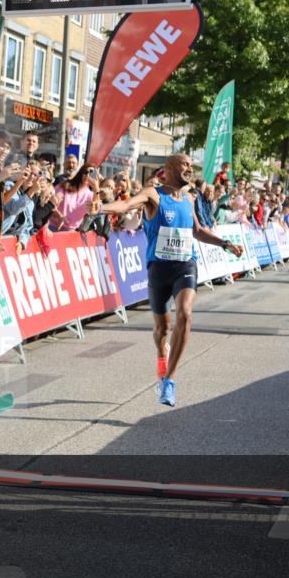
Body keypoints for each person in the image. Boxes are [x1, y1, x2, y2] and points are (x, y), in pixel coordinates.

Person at [98, 153, 243, 406]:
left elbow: (197, 231)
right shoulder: (153, 194)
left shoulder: (188, 198)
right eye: (185, 164)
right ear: (169, 168)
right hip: (159, 269)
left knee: (185, 314)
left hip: (185, 265)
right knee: (163, 329)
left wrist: (225, 243)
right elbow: (125, 206)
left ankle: (169, 381)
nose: (190, 168)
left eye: (191, 165)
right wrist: (101, 207)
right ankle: (161, 354)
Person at [51, 164, 98, 232]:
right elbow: (49, 203)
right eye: (85, 172)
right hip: (53, 226)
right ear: (81, 173)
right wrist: (59, 216)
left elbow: (95, 210)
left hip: (71, 231)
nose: (88, 175)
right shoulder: (65, 185)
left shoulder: (90, 195)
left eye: (91, 173)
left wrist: (96, 188)